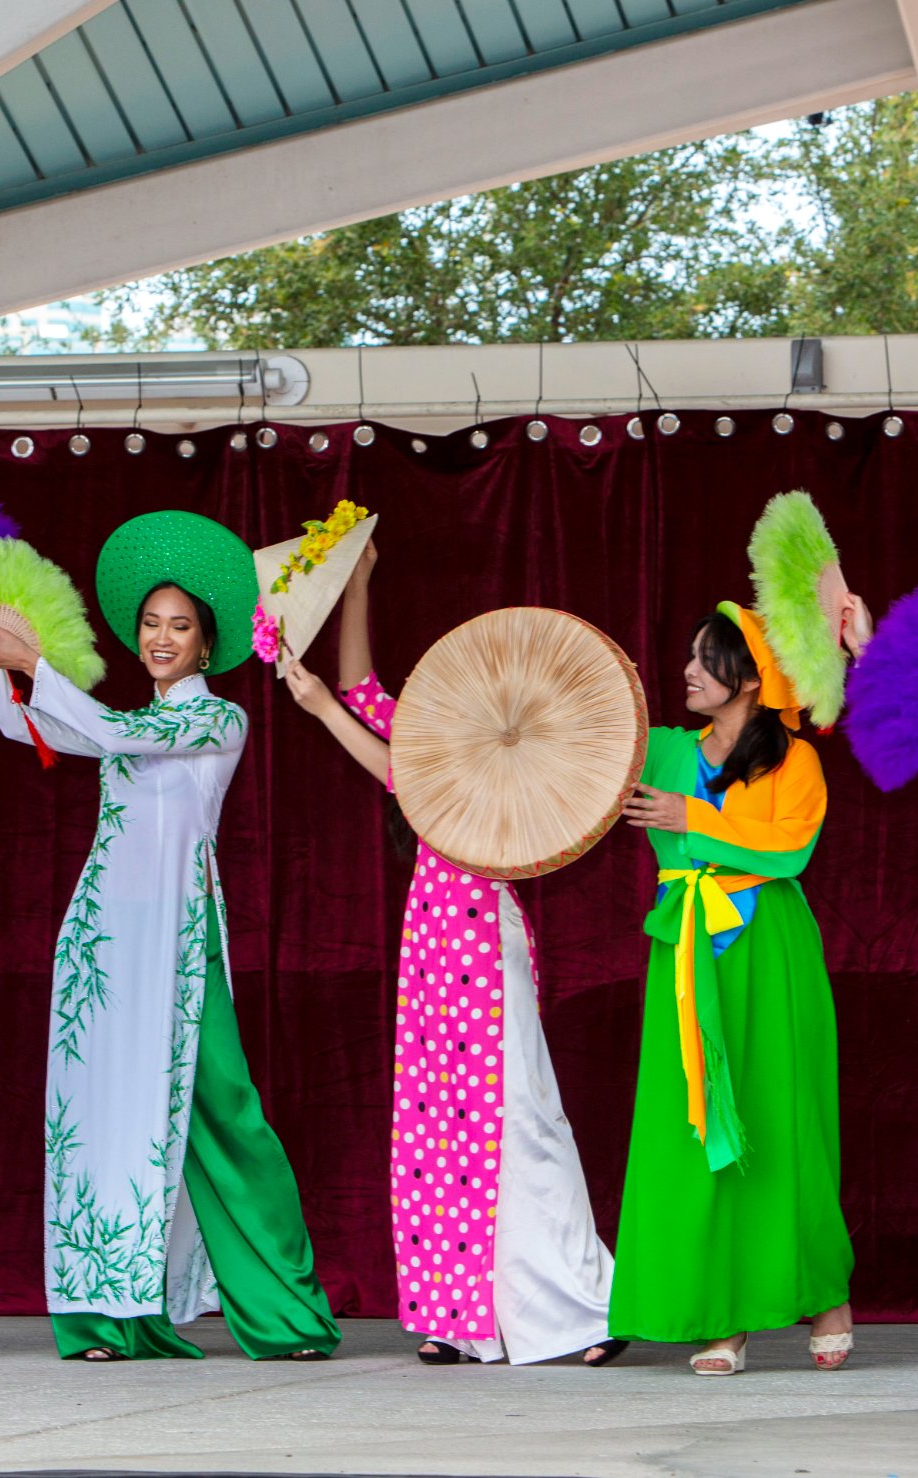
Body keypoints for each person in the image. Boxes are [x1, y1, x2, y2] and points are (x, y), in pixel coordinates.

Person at [0, 512, 339, 1363]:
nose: (162, 637)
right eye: (151, 625)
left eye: (180, 627)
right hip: (103, 946)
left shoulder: (216, 722)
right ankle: (104, 1319)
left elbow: (107, 731)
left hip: (178, 941)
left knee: (228, 1117)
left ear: (207, 645)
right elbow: (48, 728)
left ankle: (289, 1314)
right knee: (101, 1115)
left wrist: (38, 665)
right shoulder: (124, 723)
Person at [279, 540, 624, 1367]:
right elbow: (366, 691)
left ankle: (583, 1310)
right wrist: (359, 585)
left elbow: (401, 775)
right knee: (436, 1130)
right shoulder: (437, 736)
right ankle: (461, 1318)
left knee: (520, 1120)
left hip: (482, 940)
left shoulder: (507, 760)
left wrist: (324, 711)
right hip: (432, 938)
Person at [613, 603, 853, 1375]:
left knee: (782, 1122)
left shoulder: (796, 761)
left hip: (768, 945)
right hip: (688, 950)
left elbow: (791, 849)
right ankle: (724, 1316)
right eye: (687, 655)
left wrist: (696, 817)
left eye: (705, 659)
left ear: (750, 677)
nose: (685, 670)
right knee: (699, 1125)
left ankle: (825, 1294)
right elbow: (582, 760)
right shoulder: (662, 751)